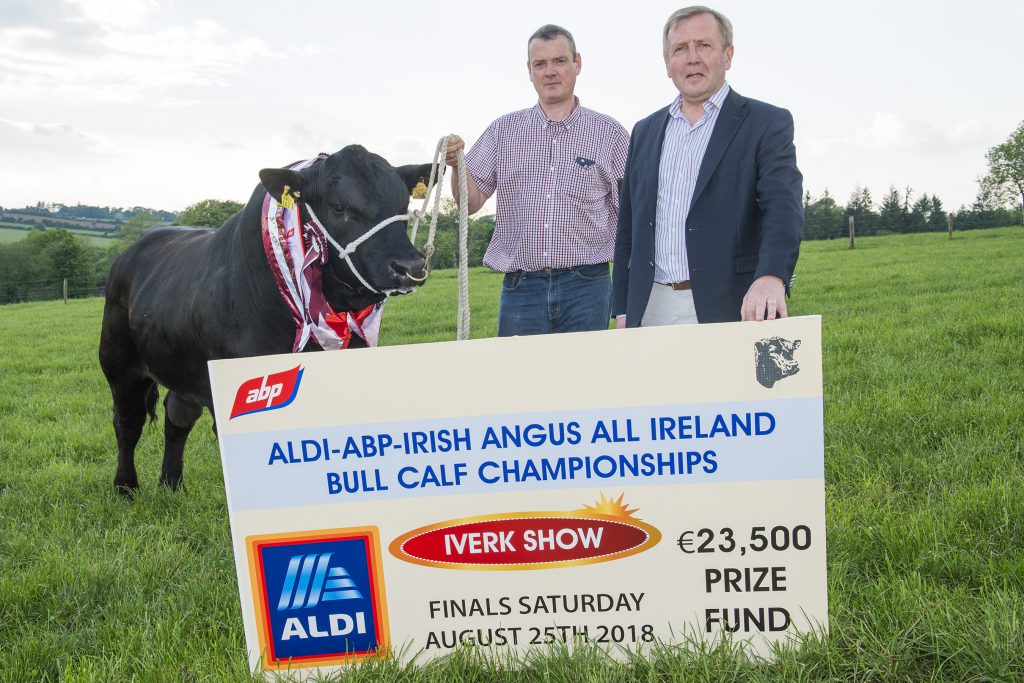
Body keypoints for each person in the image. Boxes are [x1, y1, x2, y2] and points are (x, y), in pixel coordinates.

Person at [613, 6, 803, 327]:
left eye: (704, 45)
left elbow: (783, 209)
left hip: (733, 304)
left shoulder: (766, 123)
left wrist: (772, 276)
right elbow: (628, 229)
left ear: (727, 56)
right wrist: (622, 308)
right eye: (680, 49)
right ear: (667, 64)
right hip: (650, 307)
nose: (692, 58)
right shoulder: (644, 131)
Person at [444, 24, 629, 336]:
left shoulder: (610, 134)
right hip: (522, 289)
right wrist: (456, 166)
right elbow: (470, 204)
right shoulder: (503, 131)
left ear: (577, 63)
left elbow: (633, 216)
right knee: (518, 369)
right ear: (529, 71)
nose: (550, 72)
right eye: (540, 64)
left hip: (587, 285)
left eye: (559, 61)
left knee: (586, 368)